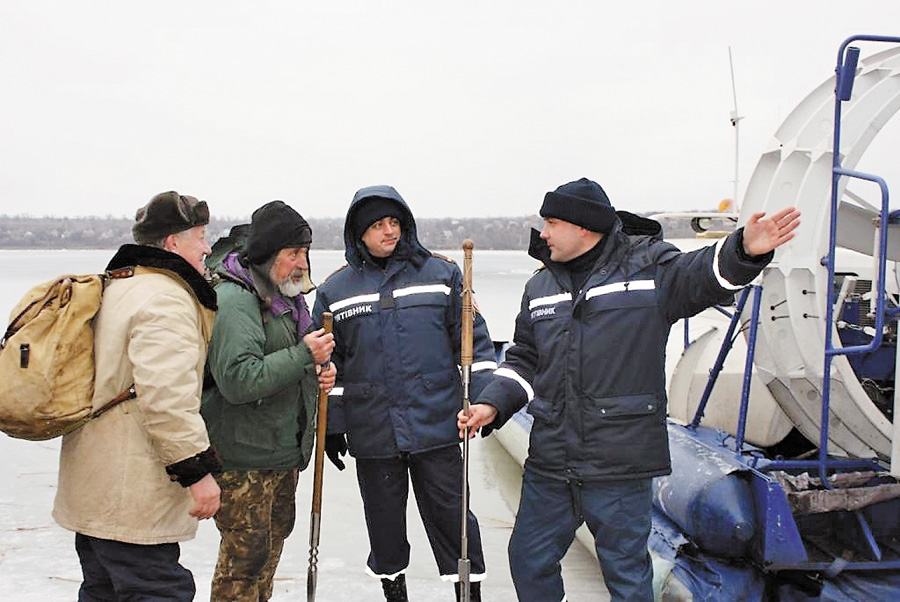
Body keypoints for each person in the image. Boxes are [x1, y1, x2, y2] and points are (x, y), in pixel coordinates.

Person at [458, 178, 801, 602]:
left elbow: (702, 276)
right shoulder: (540, 287)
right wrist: (492, 404)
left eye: (551, 222)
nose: (542, 233)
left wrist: (745, 250)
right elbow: (525, 360)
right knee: (529, 560)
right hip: (552, 459)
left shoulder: (650, 269)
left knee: (626, 574)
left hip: (619, 463)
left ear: (583, 227)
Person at [312, 185, 497, 602]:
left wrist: (485, 401)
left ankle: (469, 595)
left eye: (394, 222)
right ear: (359, 233)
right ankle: (395, 593)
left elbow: (475, 347)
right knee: (384, 526)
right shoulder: (335, 291)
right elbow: (327, 364)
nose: (389, 231)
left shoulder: (442, 275)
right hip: (373, 430)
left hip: (437, 425)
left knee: (455, 524)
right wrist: (334, 424)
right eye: (378, 225)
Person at [53, 191, 223, 601]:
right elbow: (166, 398)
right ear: (172, 243)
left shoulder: (117, 287)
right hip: (132, 495)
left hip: (93, 487)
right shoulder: (166, 298)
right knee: (158, 591)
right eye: (199, 236)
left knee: (103, 591)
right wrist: (197, 473)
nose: (207, 247)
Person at [201, 200, 336, 601]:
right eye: (292, 253)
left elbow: (290, 365)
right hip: (243, 461)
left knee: (265, 561)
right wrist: (303, 356)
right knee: (243, 568)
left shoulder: (287, 300)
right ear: (265, 255)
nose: (302, 263)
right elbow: (239, 380)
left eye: (305, 252)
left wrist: (318, 373)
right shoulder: (235, 300)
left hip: (279, 456)